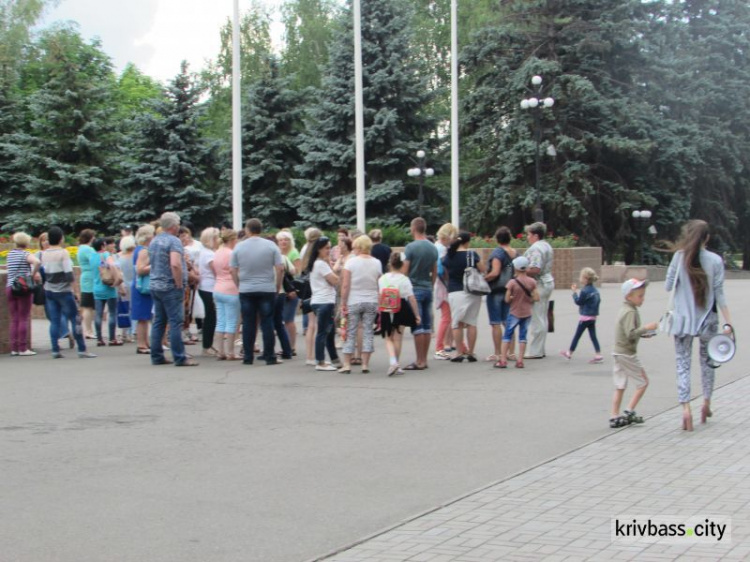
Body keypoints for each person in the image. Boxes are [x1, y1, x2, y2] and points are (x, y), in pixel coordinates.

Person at [666, 220, 733, 431]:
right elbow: (720, 294)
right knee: (708, 363)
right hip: (708, 320)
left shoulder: (679, 257)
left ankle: (686, 409)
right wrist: (729, 322)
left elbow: (668, 285)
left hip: (682, 321)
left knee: (682, 363)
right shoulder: (715, 260)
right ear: (707, 238)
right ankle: (706, 403)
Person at [231, 218, 284, 366]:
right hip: (266, 288)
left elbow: (232, 269)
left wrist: (238, 284)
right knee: (267, 322)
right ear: (261, 229)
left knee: (248, 322)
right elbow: (280, 268)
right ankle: (269, 355)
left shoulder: (239, 247)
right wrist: (277, 286)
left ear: (247, 230)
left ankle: (248, 356)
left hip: (246, 288)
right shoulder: (271, 246)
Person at [149, 212, 198, 367]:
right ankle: (179, 356)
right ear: (174, 226)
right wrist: (178, 283)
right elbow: (175, 263)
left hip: (156, 285)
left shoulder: (154, 241)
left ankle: (156, 356)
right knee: (176, 322)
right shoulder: (174, 242)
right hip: (170, 286)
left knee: (159, 321)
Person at [40, 227, 96, 358]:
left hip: (49, 290)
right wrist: (75, 290)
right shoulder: (63, 253)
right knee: (74, 319)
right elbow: (69, 274)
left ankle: (55, 349)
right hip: (64, 291)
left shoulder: (44, 253)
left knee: (55, 321)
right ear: (60, 238)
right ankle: (82, 349)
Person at [610, 279, 658, 429]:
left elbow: (628, 333)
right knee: (643, 382)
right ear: (629, 297)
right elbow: (631, 334)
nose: (642, 299)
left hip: (618, 352)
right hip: (627, 353)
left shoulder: (625, 309)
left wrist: (643, 334)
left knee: (620, 385)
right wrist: (646, 328)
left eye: (643, 295)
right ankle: (629, 410)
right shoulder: (630, 312)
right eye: (640, 296)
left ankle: (614, 416)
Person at [339, 235, 382, 373]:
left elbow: (345, 285)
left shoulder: (351, 263)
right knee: (368, 331)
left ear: (358, 247)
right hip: (371, 300)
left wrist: (343, 302)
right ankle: (365, 364)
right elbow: (379, 284)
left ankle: (347, 364)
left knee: (350, 332)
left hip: (354, 300)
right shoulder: (377, 263)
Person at [441, 232, 484, 363]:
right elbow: (482, 269)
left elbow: (444, 271)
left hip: (455, 291)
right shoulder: (472, 255)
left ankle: (459, 352)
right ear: (467, 242)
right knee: (471, 322)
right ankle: (471, 352)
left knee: (457, 323)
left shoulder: (450, 255)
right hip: (472, 290)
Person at [403, 217, 439, 370]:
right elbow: (435, 270)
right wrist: (431, 285)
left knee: (417, 326)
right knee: (426, 325)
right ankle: (424, 359)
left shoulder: (410, 247)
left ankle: (419, 360)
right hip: (427, 287)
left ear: (413, 229)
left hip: (414, 288)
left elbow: (405, 270)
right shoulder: (432, 247)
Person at [378, 252, 421, 376]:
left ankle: (393, 362)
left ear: (390, 263)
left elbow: (380, 295)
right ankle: (396, 363)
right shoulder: (404, 279)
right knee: (397, 337)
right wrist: (416, 314)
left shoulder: (382, 278)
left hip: (386, 308)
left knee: (388, 338)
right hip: (400, 307)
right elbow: (411, 298)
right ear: (402, 265)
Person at [306, 236, 341, 371]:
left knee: (329, 331)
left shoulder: (317, 263)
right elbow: (334, 280)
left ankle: (334, 359)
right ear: (319, 249)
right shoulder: (320, 264)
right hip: (324, 301)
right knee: (323, 332)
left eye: (329, 248)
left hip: (321, 301)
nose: (329, 251)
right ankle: (320, 361)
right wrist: (334, 271)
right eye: (326, 248)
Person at [5, 232, 41, 356]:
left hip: (10, 287)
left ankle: (14, 348)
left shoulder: (10, 254)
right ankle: (23, 348)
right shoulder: (25, 254)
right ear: (26, 242)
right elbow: (37, 262)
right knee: (23, 318)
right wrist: (31, 275)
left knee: (14, 319)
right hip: (23, 288)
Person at [484, 226, 517, 362]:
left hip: (496, 291)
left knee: (496, 323)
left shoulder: (498, 253)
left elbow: (495, 272)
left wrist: (484, 279)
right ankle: (511, 352)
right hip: (510, 290)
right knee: (508, 322)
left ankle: (497, 353)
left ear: (497, 239)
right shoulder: (515, 253)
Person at [523, 222, 555, 359]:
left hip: (539, 283)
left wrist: (521, 271)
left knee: (537, 317)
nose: (527, 237)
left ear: (535, 235)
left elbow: (535, 268)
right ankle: (540, 349)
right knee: (542, 315)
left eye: (529, 235)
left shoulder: (535, 248)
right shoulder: (546, 245)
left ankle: (535, 351)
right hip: (547, 281)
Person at [561, 267, 603, 363]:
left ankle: (569, 353)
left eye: (581, 277)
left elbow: (578, 302)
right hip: (593, 317)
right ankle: (598, 354)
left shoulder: (584, 291)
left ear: (585, 279)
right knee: (593, 336)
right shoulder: (595, 290)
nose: (580, 279)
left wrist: (574, 292)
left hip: (585, 317)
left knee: (577, 335)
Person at [39, 231, 72, 349]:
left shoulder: (53, 254)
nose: (46, 242)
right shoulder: (40, 254)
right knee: (53, 316)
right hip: (48, 289)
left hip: (54, 288)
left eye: (47, 239)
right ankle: (63, 336)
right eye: (43, 240)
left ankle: (62, 336)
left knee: (56, 316)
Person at [433, 223, 461, 360]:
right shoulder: (442, 249)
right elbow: (443, 270)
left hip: (440, 285)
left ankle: (444, 345)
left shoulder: (437, 246)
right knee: (446, 318)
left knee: (448, 317)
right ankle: (439, 348)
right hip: (444, 286)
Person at [213, 229, 241, 360]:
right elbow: (234, 271)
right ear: (232, 240)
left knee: (220, 321)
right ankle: (230, 352)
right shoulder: (231, 253)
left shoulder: (217, 252)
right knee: (231, 322)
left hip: (218, 288)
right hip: (231, 289)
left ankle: (220, 351)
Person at [92, 238, 122, 347]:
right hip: (109, 288)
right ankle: (112, 338)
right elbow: (112, 265)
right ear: (102, 246)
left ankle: (99, 339)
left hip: (97, 288)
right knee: (112, 313)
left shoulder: (92, 257)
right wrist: (117, 278)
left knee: (98, 314)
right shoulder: (105, 255)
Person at [132, 225, 155, 355]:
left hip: (141, 286)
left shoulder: (139, 249)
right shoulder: (144, 251)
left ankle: (145, 342)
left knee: (145, 316)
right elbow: (140, 269)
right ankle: (141, 344)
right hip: (142, 287)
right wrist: (154, 265)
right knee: (142, 316)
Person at [277, 230, 301, 354]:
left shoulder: (293, 253)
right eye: (281, 240)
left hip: (290, 289)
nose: (283, 242)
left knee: (288, 319)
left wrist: (294, 289)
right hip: (281, 290)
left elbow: (297, 272)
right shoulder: (277, 253)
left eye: (285, 239)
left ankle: (292, 346)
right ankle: (286, 346)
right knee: (283, 319)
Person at [300, 227, 322, 362]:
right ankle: (316, 355)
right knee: (317, 324)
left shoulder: (305, 251)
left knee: (310, 324)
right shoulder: (317, 256)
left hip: (306, 289)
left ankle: (309, 355)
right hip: (317, 289)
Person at [197, 227, 219, 356]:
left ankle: (208, 344)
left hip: (206, 286)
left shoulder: (205, 252)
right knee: (211, 318)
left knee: (211, 317)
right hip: (209, 288)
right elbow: (216, 271)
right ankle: (207, 345)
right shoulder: (209, 254)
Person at [77, 229, 97, 339]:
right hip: (90, 278)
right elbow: (95, 260)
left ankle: (88, 330)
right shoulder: (88, 249)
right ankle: (88, 331)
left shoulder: (81, 248)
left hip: (85, 277)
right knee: (89, 306)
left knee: (87, 306)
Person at [118, 235, 136, 343]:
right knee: (133, 309)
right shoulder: (135, 256)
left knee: (124, 309)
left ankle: (124, 332)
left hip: (123, 285)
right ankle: (132, 332)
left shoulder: (118, 257)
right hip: (133, 284)